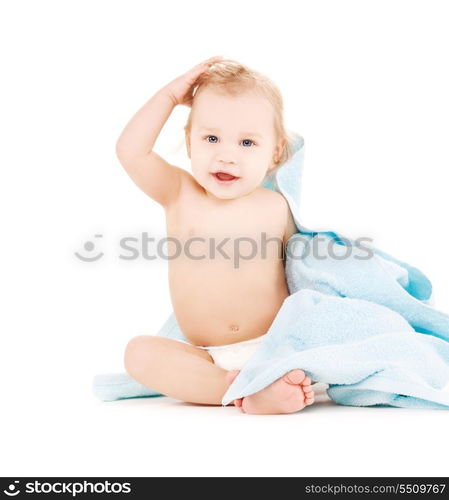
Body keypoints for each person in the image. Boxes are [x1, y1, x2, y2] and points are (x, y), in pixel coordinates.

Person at [116, 55, 315, 414]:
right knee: (139, 354)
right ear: (190, 143)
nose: (226, 156)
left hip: (275, 345)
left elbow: (309, 271)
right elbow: (131, 151)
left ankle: (266, 382)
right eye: (211, 138)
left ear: (276, 152)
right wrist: (169, 98)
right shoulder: (179, 193)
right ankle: (246, 392)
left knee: (310, 351)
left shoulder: (277, 206)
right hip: (206, 358)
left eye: (246, 143)